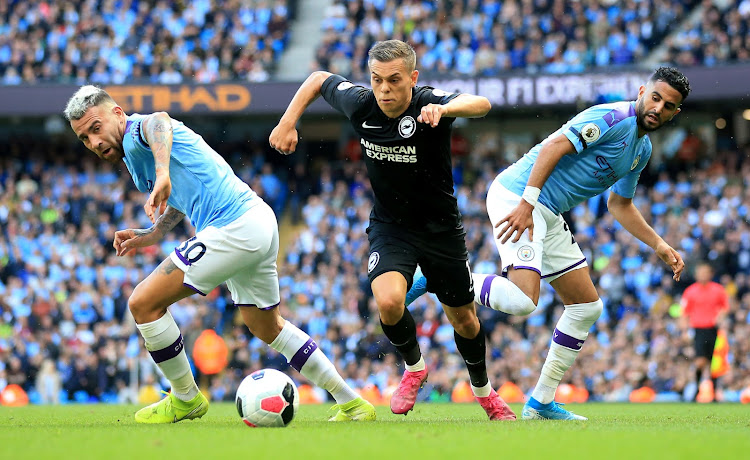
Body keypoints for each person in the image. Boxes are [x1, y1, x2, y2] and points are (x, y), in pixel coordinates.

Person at [64, 85, 375, 423]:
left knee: (142, 304)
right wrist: (149, 235)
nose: (93, 142)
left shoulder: (138, 132)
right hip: (256, 221)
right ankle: (352, 403)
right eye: (84, 139)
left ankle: (185, 398)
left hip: (234, 225)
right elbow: (182, 202)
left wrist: (164, 172)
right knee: (267, 326)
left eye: (96, 128)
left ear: (117, 114)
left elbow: (159, 121)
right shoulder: (138, 161)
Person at [407, 67, 691, 419]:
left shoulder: (641, 149)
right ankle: (437, 276)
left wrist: (660, 245)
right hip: (518, 196)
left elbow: (619, 204)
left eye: (668, 106)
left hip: (547, 209)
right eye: (656, 97)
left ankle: (540, 402)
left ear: (675, 112)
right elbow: (555, 145)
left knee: (587, 307)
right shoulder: (612, 117)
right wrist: (527, 203)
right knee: (524, 300)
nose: (658, 108)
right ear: (642, 91)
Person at [270, 40, 515, 420]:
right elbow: (318, 79)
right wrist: (288, 121)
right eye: (377, 80)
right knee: (387, 302)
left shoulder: (429, 104)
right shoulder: (362, 104)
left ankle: (484, 392)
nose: (384, 89)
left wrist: (445, 108)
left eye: (394, 81)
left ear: (413, 79)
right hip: (391, 227)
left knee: (464, 319)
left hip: (441, 230)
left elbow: (482, 104)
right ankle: (415, 370)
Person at [681, 262, 729, 401]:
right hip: (698, 329)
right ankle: (696, 388)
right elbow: (684, 313)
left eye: (706, 272)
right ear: (696, 274)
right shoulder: (690, 291)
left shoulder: (718, 290)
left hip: (714, 329)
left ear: (711, 274)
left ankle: (713, 393)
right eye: (701, 272)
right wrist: (684, 331)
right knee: (701, 361)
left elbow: (725, 307)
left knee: (714, 362)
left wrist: (721, 317)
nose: (703, 275)